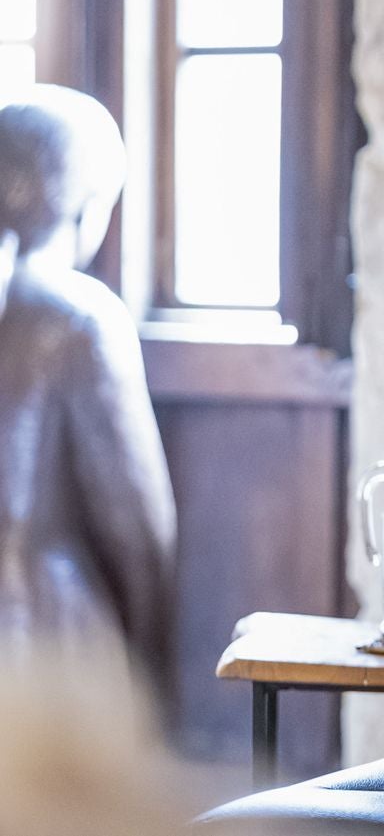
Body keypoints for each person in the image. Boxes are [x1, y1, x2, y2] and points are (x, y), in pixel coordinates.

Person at [0, 86, 176, 691]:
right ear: (84, 204)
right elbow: (138, 528)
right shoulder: (79, 316)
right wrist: (154, 673)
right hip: (48, 642)